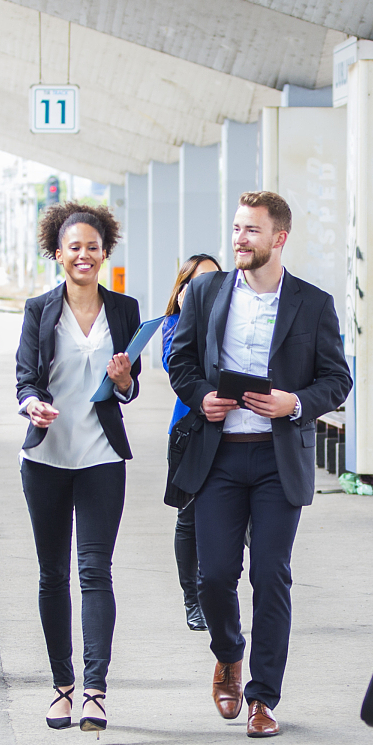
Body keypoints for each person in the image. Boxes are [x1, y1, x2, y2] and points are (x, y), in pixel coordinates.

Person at [166, 192, 352, 738]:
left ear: (279, 239)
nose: (240, 238)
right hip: (218, 455)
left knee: (271, 576)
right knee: (215, 576)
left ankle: (263, 698)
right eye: (236, 228)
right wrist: (202, 397)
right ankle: (228, 654)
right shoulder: (204, 292)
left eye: (251, 230)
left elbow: (336, 380)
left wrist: (293, 403)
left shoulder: (312, 304)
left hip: (276, 459)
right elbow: (179, 360)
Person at [14, 203, 141, 732]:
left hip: (101, 458)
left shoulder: (126, 309)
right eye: (74, 247)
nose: (83, 255)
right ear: (57, 253)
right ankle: (61, 687)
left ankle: (95, 691)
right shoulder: (39, 309)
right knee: (52, 575)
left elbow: (131, 390)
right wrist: (31, 405)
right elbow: (24, 380)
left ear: (105, 251)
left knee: (94, 572)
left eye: (93, 246)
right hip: (46, 457)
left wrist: (123, 382)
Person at [162, 252, 222, 631]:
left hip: (233, 430)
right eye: (199, 283)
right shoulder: (174, 324)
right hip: (190, 432)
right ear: (184, 289)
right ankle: (193, 600)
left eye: (217, 281)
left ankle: (217, 594)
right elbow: (175, 367)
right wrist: (190, 315)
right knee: (190, 517)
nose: (209, 290)